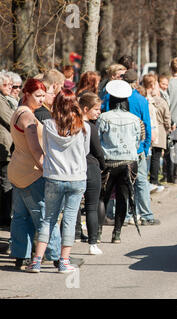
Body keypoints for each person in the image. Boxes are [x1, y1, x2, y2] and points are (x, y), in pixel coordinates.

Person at [27, 88, 90, 273]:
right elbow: (85, 152)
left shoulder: (48, 124)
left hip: (54, 176)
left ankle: (37, 260)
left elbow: (45, 147)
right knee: (69, 220)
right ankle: (64, 261)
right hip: (77, 177)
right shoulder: (82, 126)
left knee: (48, 219)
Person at [8, 78, 62, 270]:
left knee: (21, 216)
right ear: (27, 94)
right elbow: (35, 150)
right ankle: (56, 256)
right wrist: (48, 170)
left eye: (43, 96)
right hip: (31, 173)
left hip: (17, 169)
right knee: (46, 216)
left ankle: (20, 255)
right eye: (37, 96)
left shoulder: (18, 111)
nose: (41, 100)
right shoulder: (29, 118)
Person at [97, 80, 143, 244]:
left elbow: (97, 139)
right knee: (123, 198)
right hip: (129, 162)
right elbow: (137, 141)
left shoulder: (103, 117)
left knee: (103, 197)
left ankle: (98, 232)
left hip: (108, 162)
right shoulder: (134, 119)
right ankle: (117, 233)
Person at [78, 92, 104, 254]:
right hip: (91, 167)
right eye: (96, 109)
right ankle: (93, 243)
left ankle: (66, 240)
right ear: (86, 108)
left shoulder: (71, 124)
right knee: (91, 207)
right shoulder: (91, 128)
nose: (99, 112)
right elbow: (98, 151)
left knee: (71, 207)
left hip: (75, 168)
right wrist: (103, 165)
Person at [0, 72, 14, 228]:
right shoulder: (0, 100)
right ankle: (4, 217)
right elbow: (10, 119)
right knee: (6, 182)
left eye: (11, 85)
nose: (10, 87)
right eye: (6, 85)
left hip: (5, 145)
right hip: (3, 147)